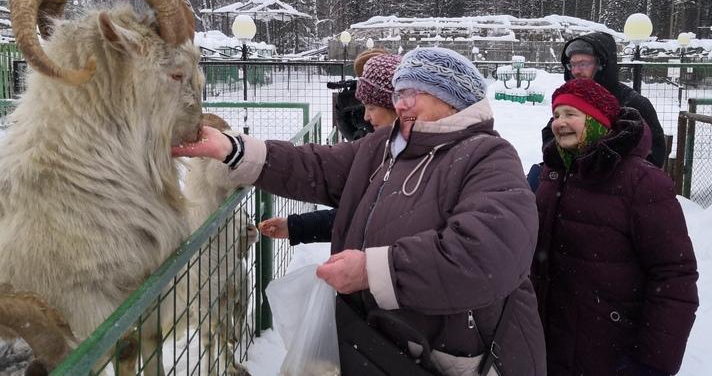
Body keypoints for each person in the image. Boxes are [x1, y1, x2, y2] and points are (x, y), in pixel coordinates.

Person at [174, 47, 546, 376]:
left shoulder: (487, 157)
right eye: (398, 93)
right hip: (374, 343)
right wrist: (233, 149)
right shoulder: (385, 146)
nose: (400, 104)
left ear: (451, 98)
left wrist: (372, 271)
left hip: (444, 357)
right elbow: (315, 166)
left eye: (413, 93)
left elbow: (484, 257)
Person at [532, 78, 698, 375]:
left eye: (572, 114)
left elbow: (674, 275)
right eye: (556, 115)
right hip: (549, 343)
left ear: (597, 120)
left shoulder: (641, 182)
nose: (560, 123)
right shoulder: (552, 173)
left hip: (610, 350)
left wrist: (651, 362)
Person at [259, 51, 401, 245]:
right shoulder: (389, 147)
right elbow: (362, 214)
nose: (366, 116)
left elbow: (376, 219)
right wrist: (297, 226)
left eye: (371, 106)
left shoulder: (413, 159)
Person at [542, 32, 666, 167]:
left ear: (602, 65)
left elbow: (654, 155)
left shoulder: (633, 104)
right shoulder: (570, 100)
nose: (576, 71)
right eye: (572, 65)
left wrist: (605, 169)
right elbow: (550, 138)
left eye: (583, 64)